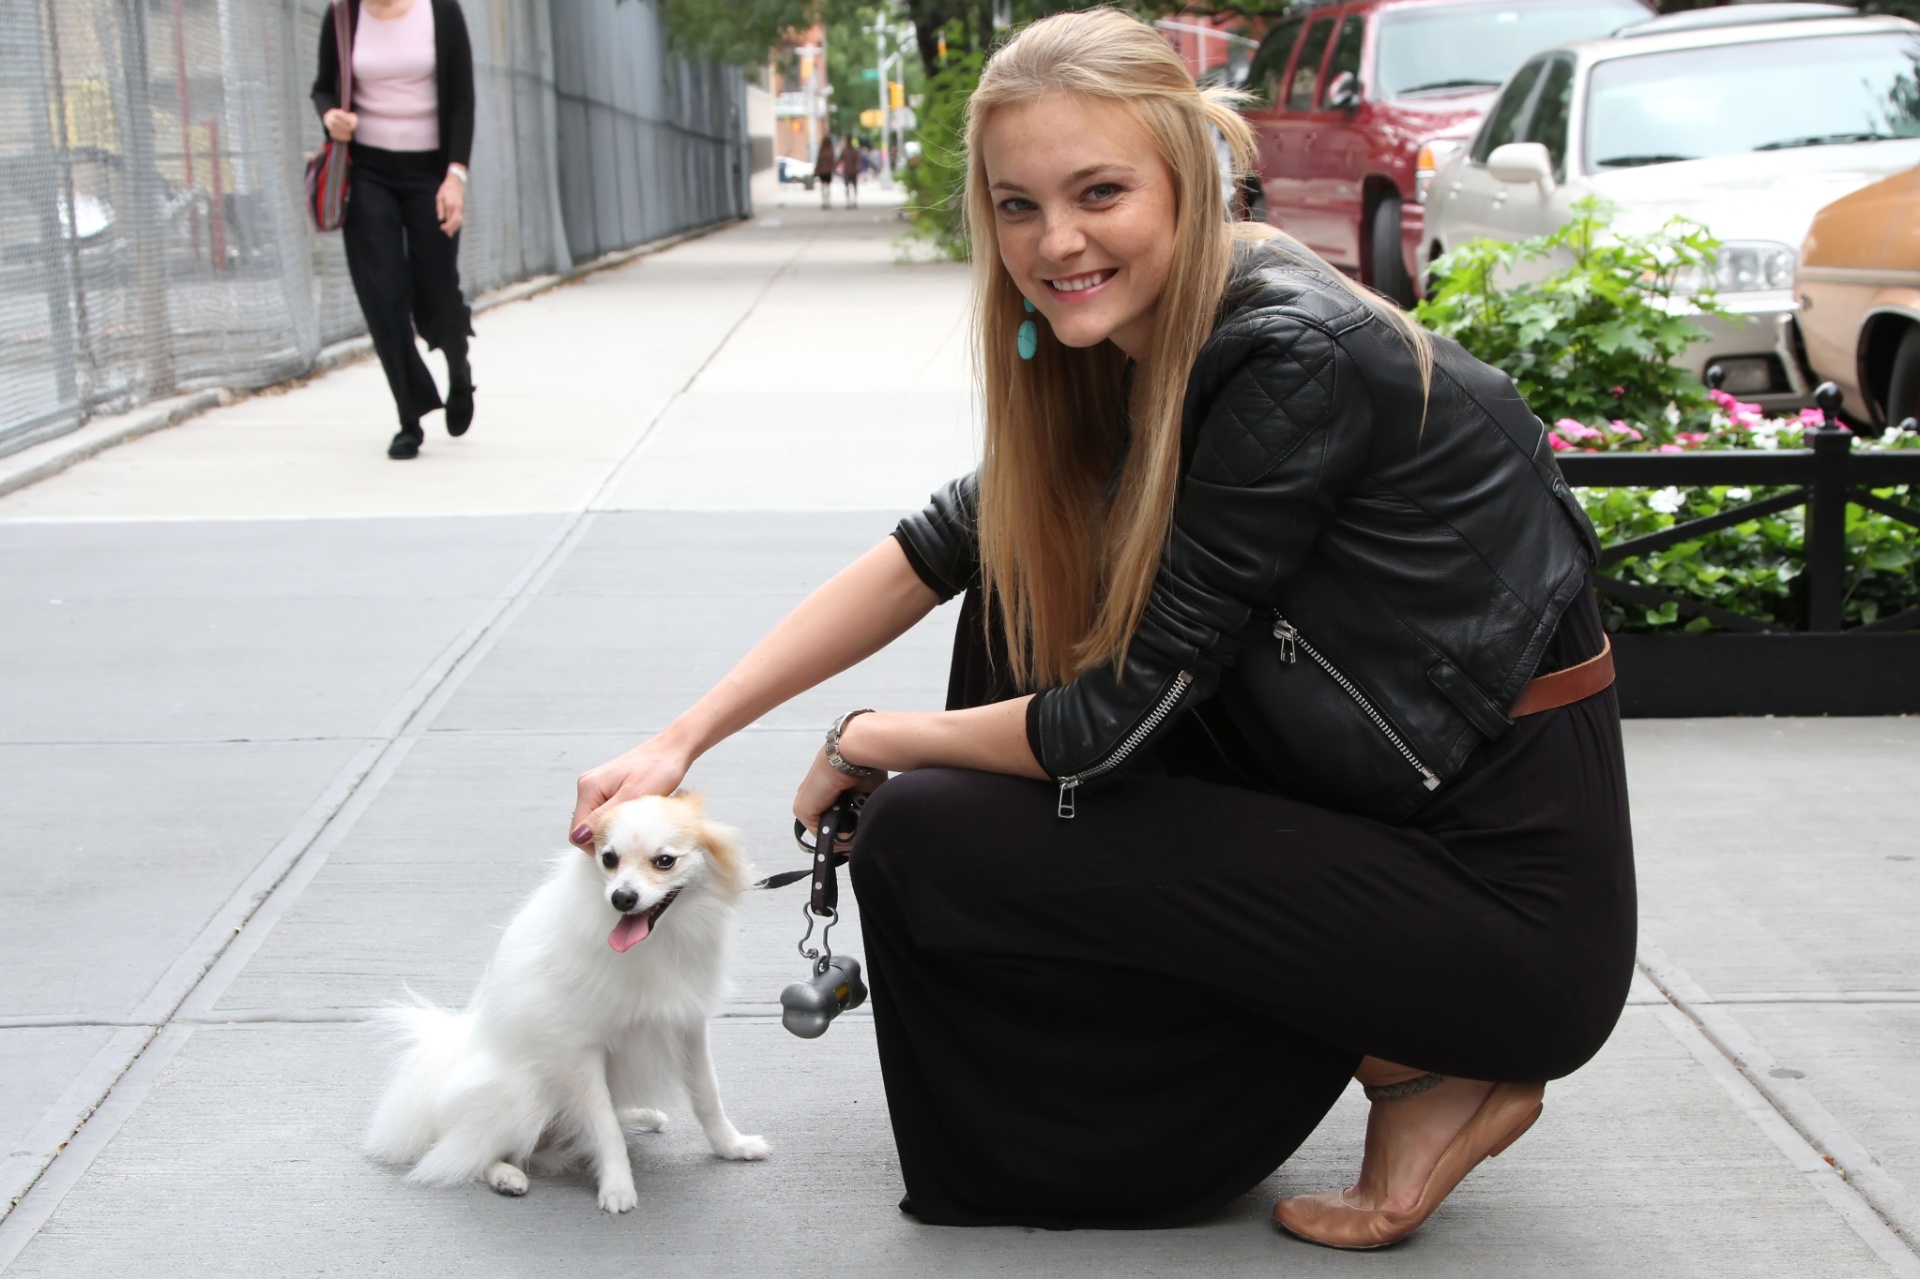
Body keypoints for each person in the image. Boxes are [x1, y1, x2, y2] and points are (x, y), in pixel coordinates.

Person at [570, 7, 1634, 1248]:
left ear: (1184, 177)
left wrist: (870, 737)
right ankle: (1291, 1061)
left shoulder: (1289, 358)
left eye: (1099, 192)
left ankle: (1420, 1062)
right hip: (1375, 834)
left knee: (925, 819)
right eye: (1017, 206)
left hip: (1497, 914)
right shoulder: (1137, 336)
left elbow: (1109, 725)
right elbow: (936, 548)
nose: (1056, 242)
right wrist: (683, 737)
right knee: (1016, 584)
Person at [313, 0, 476, 461]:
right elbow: (323, 88)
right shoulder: (343, 15)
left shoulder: (441, 11)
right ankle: (409, 417)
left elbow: (462, 100)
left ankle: (458, 364)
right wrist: (330, 117)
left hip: (431, 173)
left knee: (437, 291)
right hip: (368, 173)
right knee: (382, 294)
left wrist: (455, 177)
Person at [814, 133, 837, 209]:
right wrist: (817, 169)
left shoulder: (828, 151)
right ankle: (824, 201)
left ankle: (827, 201)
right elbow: (819, 161)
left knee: (827, 187)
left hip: (828, 171)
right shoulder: (823, 151)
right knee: (824, 187)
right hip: (823, 171)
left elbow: (833, 161)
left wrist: (833, 168)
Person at [839, 134, 862, 209]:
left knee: (854, 186)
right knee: (847, 187)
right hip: (847, 170)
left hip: (853, 171)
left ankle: (854, 201)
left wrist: (856, 167)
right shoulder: (845, 150)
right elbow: (840, 159)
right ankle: (848, 201)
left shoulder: (853, 150)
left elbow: (857, 160)